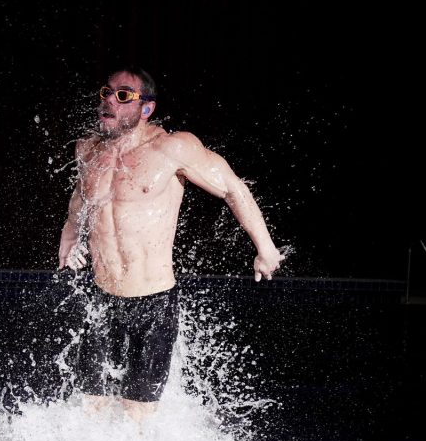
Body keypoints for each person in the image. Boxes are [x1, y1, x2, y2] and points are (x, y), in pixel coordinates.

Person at [58, 67, 283, 421]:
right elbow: (79, 199)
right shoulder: (87, 149)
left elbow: (232, 188)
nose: (108, 101)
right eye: (106, 92)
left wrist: (265, 248)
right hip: (101, 299)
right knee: (89, 411)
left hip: (154, 305)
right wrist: (69, 240)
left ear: (145, 108)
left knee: (137, 419)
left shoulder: (172, 148)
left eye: (122, 95)